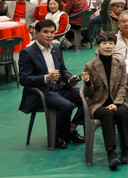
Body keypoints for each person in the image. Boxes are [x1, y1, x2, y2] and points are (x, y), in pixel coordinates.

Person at [18, 19, 85, 149]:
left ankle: (70, 129)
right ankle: (58, 135)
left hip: (60, 87)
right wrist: (45, 78)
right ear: (36, 33)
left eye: (52, 32)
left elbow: (63, 70)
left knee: (86, 96)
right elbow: (24, 79)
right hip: (43, 91)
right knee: (66, 106)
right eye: (45, 32)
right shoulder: (27, 53)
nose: (49, 35)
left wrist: (70, 79)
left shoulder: (56, 49)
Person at [81, 32, 128, 169]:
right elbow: (88, 94)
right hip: (98, 103)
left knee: (122, 112)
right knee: (107, 114)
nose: (108, 46)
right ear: (98, 46)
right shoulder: (90, 66)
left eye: (111, 43)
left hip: (118, 100)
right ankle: (111, 152)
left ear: (115, 46)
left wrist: (116, 103)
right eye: (104, 43)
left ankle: (126, 149)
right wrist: (88, 83)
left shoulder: (120, 63)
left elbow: (123, 86)